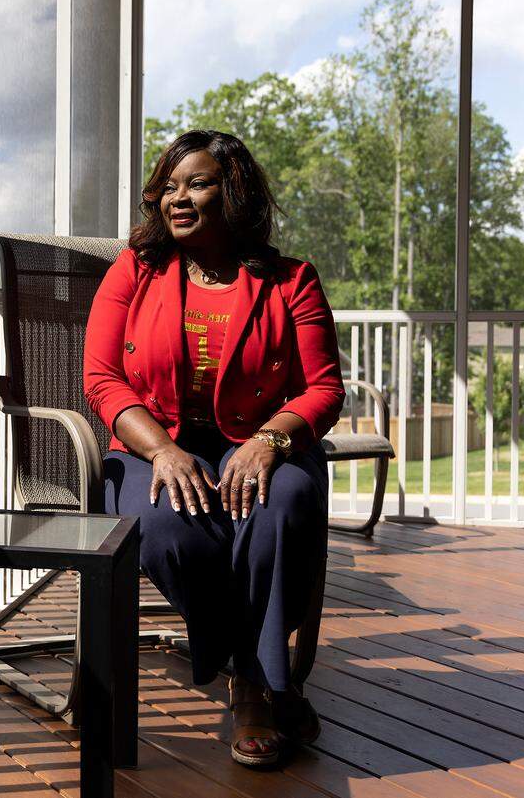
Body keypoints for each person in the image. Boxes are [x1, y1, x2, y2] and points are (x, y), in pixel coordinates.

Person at [82, 129, 345, 766]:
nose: (177, 198)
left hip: (258, 435)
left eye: (196, 184)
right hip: (155, 441)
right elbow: (101, 378)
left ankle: (251, 688)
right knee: (166, 524)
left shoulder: (291, 280)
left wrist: (270, 441)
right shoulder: (134, 271)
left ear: (234, 193)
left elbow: (324, 388)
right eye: (168, 186)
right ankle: (263, 672)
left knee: (282, 500)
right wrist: (163, 452)